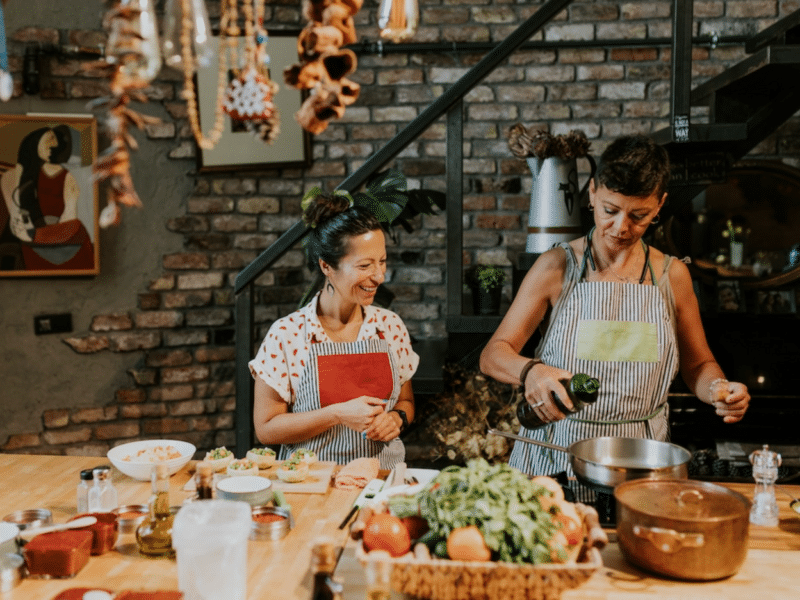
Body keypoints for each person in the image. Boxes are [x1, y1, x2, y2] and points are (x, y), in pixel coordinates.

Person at [479, 134, 750, 500]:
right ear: (592, 193)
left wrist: (719, 389)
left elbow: (699, 364)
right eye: (610, 210)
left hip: (641, 464)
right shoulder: (557, 267)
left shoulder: (672, 277)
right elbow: (494, 353)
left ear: (660, 205)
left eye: (639, 215)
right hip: (556, 459)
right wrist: (531, 371)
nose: (621, 227)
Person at [249, 192, 419, 469]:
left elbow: (406, 401)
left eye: (382, 261)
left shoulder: (389, 327)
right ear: (326, 266)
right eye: (365, 265)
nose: (379, 276)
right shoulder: (287, 334)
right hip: (311, 482)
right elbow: (267, 428)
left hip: (380, 478)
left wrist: (397, 418)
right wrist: (338, 414)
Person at [0, 125, 94, 271]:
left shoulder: (67, 176)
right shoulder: (11, 177)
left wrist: (38, 236)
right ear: (34, 141)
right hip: (32, 240)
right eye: (50, 138)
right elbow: (17, 224)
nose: (54, 145)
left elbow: (70, 220)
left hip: (63, 237)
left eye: (56, 141)